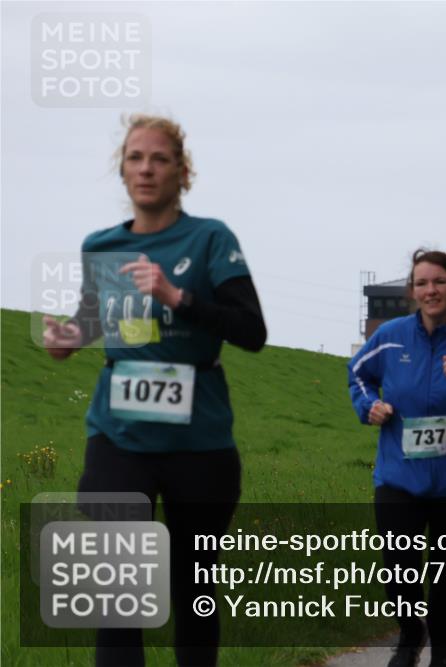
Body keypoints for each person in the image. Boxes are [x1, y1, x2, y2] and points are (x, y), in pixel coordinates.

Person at [42, 114, 267, 666]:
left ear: (182, 172)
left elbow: (252, 332)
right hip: (118, 437)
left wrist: (178, 298)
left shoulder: (210, 238)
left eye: (159, 158)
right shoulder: (102, 246)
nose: (146, 168)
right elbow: (95, 318)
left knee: (193, 594)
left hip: (200, 444)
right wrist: (70, 337)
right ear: (121, 170)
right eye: (135, 158)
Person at [348, 249, 446, 667]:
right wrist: (369, 405)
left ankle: (441, 654)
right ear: (412, 290)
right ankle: (410, 634)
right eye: (422, 283)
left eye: (439, 282)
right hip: (398, 476)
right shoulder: (390, 335)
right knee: (399, 570)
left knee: (445, 576)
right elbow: (357, 375)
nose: (431, 290)